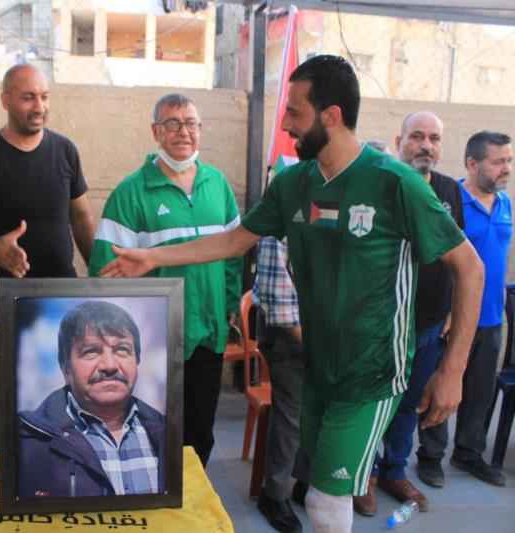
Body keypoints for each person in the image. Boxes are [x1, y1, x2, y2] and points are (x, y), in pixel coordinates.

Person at [99, 55, 484, 533]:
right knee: (319, 487)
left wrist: (453, 370)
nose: (285, 124)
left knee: (325, 497)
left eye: (295, 113)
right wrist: (154, 258)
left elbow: (470, 266)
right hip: (316, 363)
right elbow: (234, 240)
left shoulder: (393, 183)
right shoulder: (293, 184)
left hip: (374, 369)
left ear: (332, 115)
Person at [88, 93, 242, 467]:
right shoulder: (131, 192)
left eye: (190, 123)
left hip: (208, 333)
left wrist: (229, 309)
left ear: (200, 131)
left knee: (201, 432)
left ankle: (191, 504)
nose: (182, 132)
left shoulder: (217, 185)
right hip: (154, 342)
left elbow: (233, 256)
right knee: (154, 433)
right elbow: (105, 271)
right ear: (156, 132)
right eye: (172, 124)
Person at [0, 64, 96, 448]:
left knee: (67, 392)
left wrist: (98, 273)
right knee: (4, 397)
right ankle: (4, 478)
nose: (39, 105)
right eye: (29, 96)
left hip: (60, 297)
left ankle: (58, 471)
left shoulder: (65, 151)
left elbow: (81, 217)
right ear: (6, 100)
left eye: (44, 96)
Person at [354, 111, 465, 516]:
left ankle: (395, 471)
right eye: (417, 137)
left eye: (434, 138)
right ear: (398, 140)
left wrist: (452, 312)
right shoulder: (379, 187)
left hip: (430, 325)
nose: (426, 145)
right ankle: (363, 476)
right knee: (374, 404)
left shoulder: (451, 191)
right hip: (383, 325)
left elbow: (460, 258)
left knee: (409, 404)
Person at [417, 130, 512, 488]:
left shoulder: (505, 204)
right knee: (442, 382)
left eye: (509, 160)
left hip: (490, 319)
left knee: (481, 391)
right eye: (498, 161)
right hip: (454, 317)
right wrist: (449, 311)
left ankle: (469, 453)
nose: (506, 168)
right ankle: (430, 457)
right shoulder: (452, 200)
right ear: (472, 164)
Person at [18, 301, 165, 497]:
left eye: (122, 349)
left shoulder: (164, 432)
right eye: (91, 352)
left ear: (137, 361)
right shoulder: (28, 442)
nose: (109, 365)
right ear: (66, 368)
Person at [252, 236, 306, 532]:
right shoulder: (286, 206)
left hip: (322, 329)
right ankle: (274, 495)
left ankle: (304, 482)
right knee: (291, 415)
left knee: (319, 411)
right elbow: (280, 301)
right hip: (288, 330)